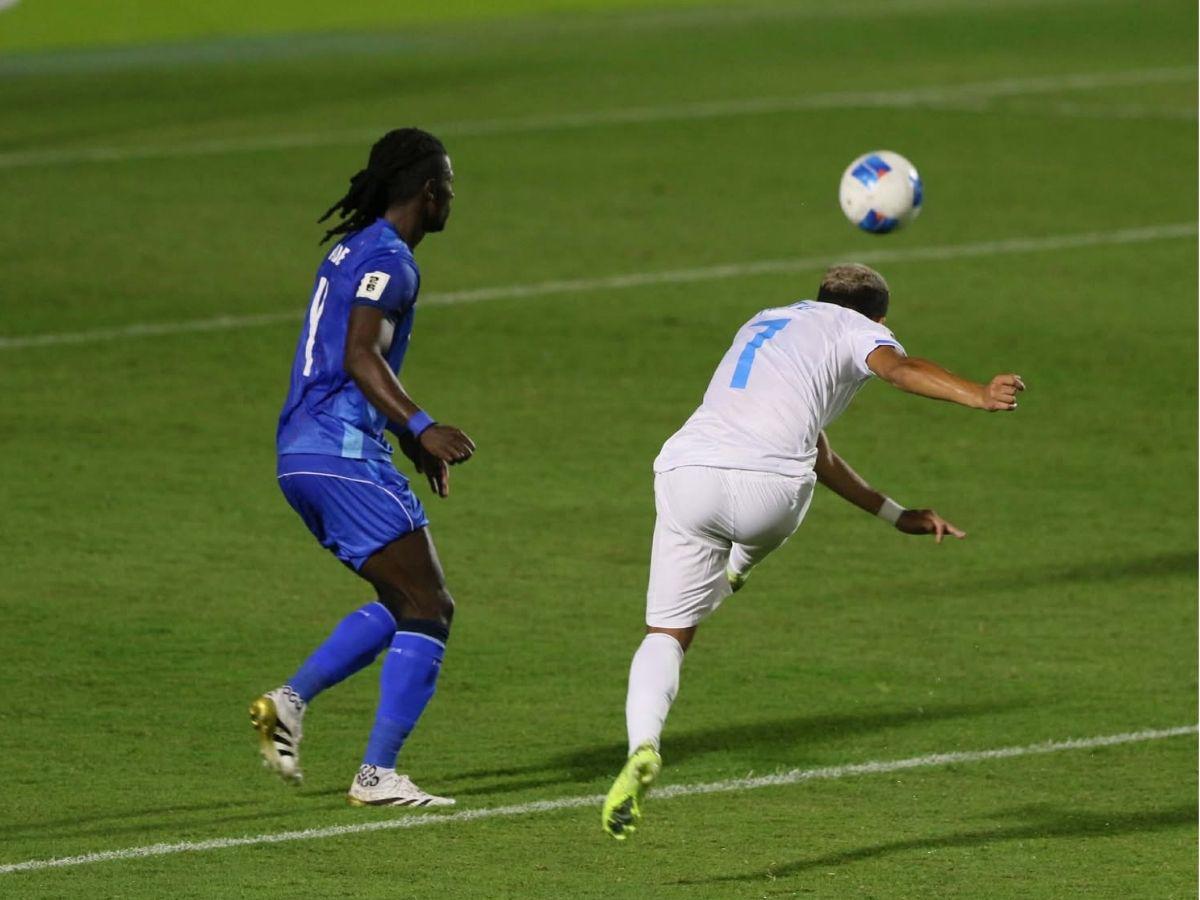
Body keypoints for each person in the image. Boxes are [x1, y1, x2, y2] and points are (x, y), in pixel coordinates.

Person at [601, 263, 1024, 838]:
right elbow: (900, 371)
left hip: (687, 472)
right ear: (879, 318)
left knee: (666, 635)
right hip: (772, 496)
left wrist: (895, 512)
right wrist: (978, 394)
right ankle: (738, 569)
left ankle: (643, 744)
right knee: (759, 518)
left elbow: (817, 447)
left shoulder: (763, 322)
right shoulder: (858, 331)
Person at [251, 128, 475, 808]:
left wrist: (403, 440)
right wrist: (420, 425)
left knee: (401, 602)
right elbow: (358, 355)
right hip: (341, 454)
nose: (453, 200)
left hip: (302, 456)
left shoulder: (350, 248)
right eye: (450, 188)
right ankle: (377, 774)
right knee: (430, 606)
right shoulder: (392, 261)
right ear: (429, 193)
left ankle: (288, 703)